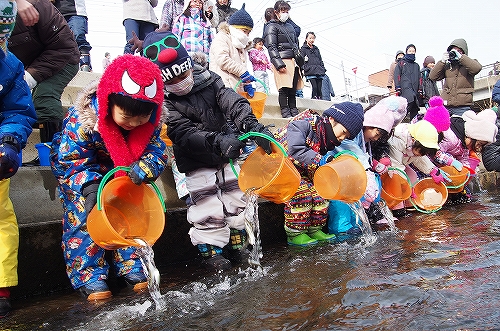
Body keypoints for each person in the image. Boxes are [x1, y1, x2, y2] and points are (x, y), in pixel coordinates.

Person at [142, 30, 274, 271]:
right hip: (196, 160)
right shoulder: (166, 102)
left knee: (236, 194)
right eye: (171, 80)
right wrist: (218, 141)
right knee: (206, 201)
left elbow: (232, 101)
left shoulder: (210, 80)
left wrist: (253, 126)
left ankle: (237, 238)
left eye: (183, 73)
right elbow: (183, 133)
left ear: (190, 66)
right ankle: (212, 248)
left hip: (227, 153)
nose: (180, 81)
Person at [49, 54, 167, 300]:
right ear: (108, 101)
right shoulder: (83, 119)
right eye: (126, 117)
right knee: (83, 217)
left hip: (125, 175)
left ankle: (133, 265)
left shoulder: (150, 126)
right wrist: (90, 186)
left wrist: (145, 168)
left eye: (142, 118)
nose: (133, 124)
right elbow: (72, 160)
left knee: (132, 213)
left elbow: (157, 152)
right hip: (83, 176)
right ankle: (89, 274)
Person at [273, 102, 364, 246]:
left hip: (297, 171)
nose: (343, 138)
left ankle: (314, 229)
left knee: (319, 192)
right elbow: (295, 150)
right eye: (344, 131)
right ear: (333, 119)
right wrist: (320, 160)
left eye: (347, 136)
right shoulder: (303, 123)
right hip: (278, 169)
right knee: (301, 192)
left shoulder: (326, 137)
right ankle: (295, 233)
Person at [0, 0, 37, 318]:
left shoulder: (9, 65)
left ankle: (1, 288)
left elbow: (17, 110)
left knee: (1, 221)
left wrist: (10, 144)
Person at [326, 96, 407, 234]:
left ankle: (359, 221)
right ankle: (341, 227)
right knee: (342, 201)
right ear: (369, 124)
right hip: (334, 172)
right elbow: (353, 150)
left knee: (371, 184)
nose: (376, 138)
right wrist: (367, 169)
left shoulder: (365, 139)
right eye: (376, 133)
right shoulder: (352, 134)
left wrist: (374, 165)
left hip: (348, 172)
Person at [9, 0, 79, 148]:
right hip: (30, 63)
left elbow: (64, 46)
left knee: (43, 98)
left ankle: (52, 152)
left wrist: (30, 77)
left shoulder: (37, 5)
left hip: (63, 58)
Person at [434, 108, 498, 204]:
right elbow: (435, 153)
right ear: (471, 136)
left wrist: (465, 171)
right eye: (479, 144)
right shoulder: (450, 138)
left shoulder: (464, 144)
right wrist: (451, 162)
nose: (478, 148)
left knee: (463, 195)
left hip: (442, 163)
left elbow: (463, 157)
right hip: (429, 162)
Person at [386, 120, 448, 216]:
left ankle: (409, 205)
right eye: (421, 151)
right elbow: (396, 167)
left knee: (412, 175)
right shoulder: (398, 139)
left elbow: (419, 158)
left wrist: (432, 170)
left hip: (401, 163)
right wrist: (407, 187)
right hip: (389, 166)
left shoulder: (417, 145)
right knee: (397, 184)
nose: (420, 154)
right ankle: (397, 208)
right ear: (414, 140)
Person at [264, 0, 303, 118]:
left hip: (293, 61)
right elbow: (271, 46)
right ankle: (285, 112)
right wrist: (278, 63)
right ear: (276, 12)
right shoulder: (270, 27)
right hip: (282, 59)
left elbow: (296, 43)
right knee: (283, 88)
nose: (285, 13)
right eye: (283, 11)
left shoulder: (290, 26)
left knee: (293, 90)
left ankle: (294, 111)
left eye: (287, 11)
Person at [429, 38, 482, 116]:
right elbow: (433, 76)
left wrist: (461, 58)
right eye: (453, 51)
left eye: (459, 51)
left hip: (463, 106)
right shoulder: (447, 65)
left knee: (461, 127)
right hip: (446, 105)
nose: (455, 53)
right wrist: (442, 62)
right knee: (442, 127)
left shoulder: (469, 64)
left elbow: (477, 68)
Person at [209, 3, 254, 94]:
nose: (246, 35)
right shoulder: (221, 37)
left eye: (248, 33)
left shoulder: (242, 45)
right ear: (235, 28)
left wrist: (246, 83)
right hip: (222, 87)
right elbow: (223, 60)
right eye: (244, 31)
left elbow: (242, 67)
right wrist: (243, 73)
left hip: (236, 89)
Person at [53, 0, 92, 71]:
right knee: (58, 43)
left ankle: (85, 65)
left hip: (75, 12)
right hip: (55, 14)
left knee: (78, 37)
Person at [394, 44, 422, 120]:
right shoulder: (401, 63)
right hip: (405, 89)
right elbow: (397, 75)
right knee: (407, 106)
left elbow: (420, 78)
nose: (411, 52)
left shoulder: (416, 65)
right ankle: (396, 122)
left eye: (413, 51)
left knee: (415, 108)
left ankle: (413, 128)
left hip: (415, 90)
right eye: (410, 51)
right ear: (406, 52)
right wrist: (398, 87)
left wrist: (420, 89)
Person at [300, 32, 326, 99]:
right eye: (310, 38)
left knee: (319, 90)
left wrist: (323, 68)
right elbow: (301, 60)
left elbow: (320, 59)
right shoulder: (303, 49)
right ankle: (313, 103)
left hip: (319, 70)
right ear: (306, 39)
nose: (312, 40)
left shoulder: (316, 49)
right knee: (314, 87)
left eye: (313, 38)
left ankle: (319, 102)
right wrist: (303, 68)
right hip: (310, 70)